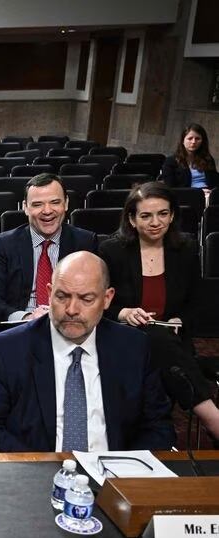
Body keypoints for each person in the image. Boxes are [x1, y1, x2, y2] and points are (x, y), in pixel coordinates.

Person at [0, 251, 175, 453]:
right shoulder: (6, 350)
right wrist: (41, 465)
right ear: (49, 293)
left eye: (86, 299)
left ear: (107, 298)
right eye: (62, 296)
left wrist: (124, 470)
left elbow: (158, 427)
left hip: (114, 476)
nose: (72, 309)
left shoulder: (133, 348)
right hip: (36, 476)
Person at [99, 182, 219, 443]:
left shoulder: (185, 249)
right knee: (152, 337)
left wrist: (180, 320)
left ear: (172, 215)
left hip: (174, 343)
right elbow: (97, 304)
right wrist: (124, 313)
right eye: (146, 215)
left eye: (162, 214)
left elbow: (196, 305)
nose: (156, 222)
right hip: (123, 341)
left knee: (160, 341)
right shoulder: (113, 251)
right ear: (131, 219)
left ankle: (160, 436)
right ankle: (213, 418)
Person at [0, 174, 99, 332]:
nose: (47, 211)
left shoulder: (85, 242)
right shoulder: (2, 245)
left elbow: (94, 295)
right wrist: (26, 317)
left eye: (55, 202)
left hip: (71, 325)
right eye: (37, 204)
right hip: (20, 328)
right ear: (25, 207)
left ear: (66, 203)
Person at [160, 123, 218, 194]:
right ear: (183, 141)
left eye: (197, 139)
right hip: (187, 197)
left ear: (202, 141)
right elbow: (170, 188)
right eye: (190, 138)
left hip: (209, 196)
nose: (193, 142)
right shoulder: (171, 161)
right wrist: (198, 192)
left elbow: (215, 182)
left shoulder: (208, 159)